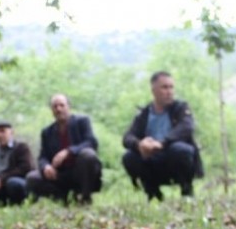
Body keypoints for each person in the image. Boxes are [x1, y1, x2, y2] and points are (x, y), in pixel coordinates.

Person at [122, 71, 204, 200]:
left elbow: (187, 127)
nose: (169, 91)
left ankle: (187, 190)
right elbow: (127, 137)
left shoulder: (180, 108)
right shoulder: (144, 114)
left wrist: (162, 143)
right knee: (129, 157)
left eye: (171, 87)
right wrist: (140, 145)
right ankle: (153, 193)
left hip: (174, 159)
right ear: (153, 90)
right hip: (153, 161)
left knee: (180, 150)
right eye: (164, 87)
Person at [26, 94, 102, 204]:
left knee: (88, 154)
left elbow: (91, 142)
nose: (58, 109)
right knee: (32, 178)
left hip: (79, 171)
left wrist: (69, 151)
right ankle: (63, 199)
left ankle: (85, 196)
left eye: (62, 105)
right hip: (59, 174)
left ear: (68, 107)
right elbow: (43, 157)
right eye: (55, 106)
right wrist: (46, 167)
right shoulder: (47, 132)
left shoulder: (82, 121)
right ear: (51, 110)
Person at [0, 121, 35, 205]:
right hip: (0, 185)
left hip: (19, 182)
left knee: (13, 183)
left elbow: (25, 168)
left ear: (11, 132)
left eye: (2, 131)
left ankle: (20, 204)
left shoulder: (21, 148)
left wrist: (1, 179)